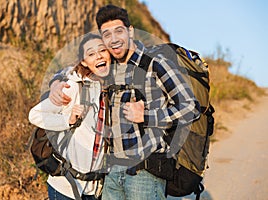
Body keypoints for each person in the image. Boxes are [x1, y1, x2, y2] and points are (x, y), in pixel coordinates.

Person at [49, 4, 200, 200]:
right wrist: (56, 82)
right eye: (107, 34)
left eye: (118, 31)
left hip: (145, 172)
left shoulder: (155, 63)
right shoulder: (109, 67)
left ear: (130, 31)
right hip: (111, 172)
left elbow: (191, 107)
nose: (113, 39)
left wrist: (146, 116)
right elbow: (77, 68)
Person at [28, 33, 112, 200]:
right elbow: (35, 114)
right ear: (83, 62)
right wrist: (67, 120)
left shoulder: (113, 90)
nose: (98, 56)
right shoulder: (72, 86)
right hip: (65, 187)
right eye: (91, 53)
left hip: (95, 190)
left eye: (102, 50)